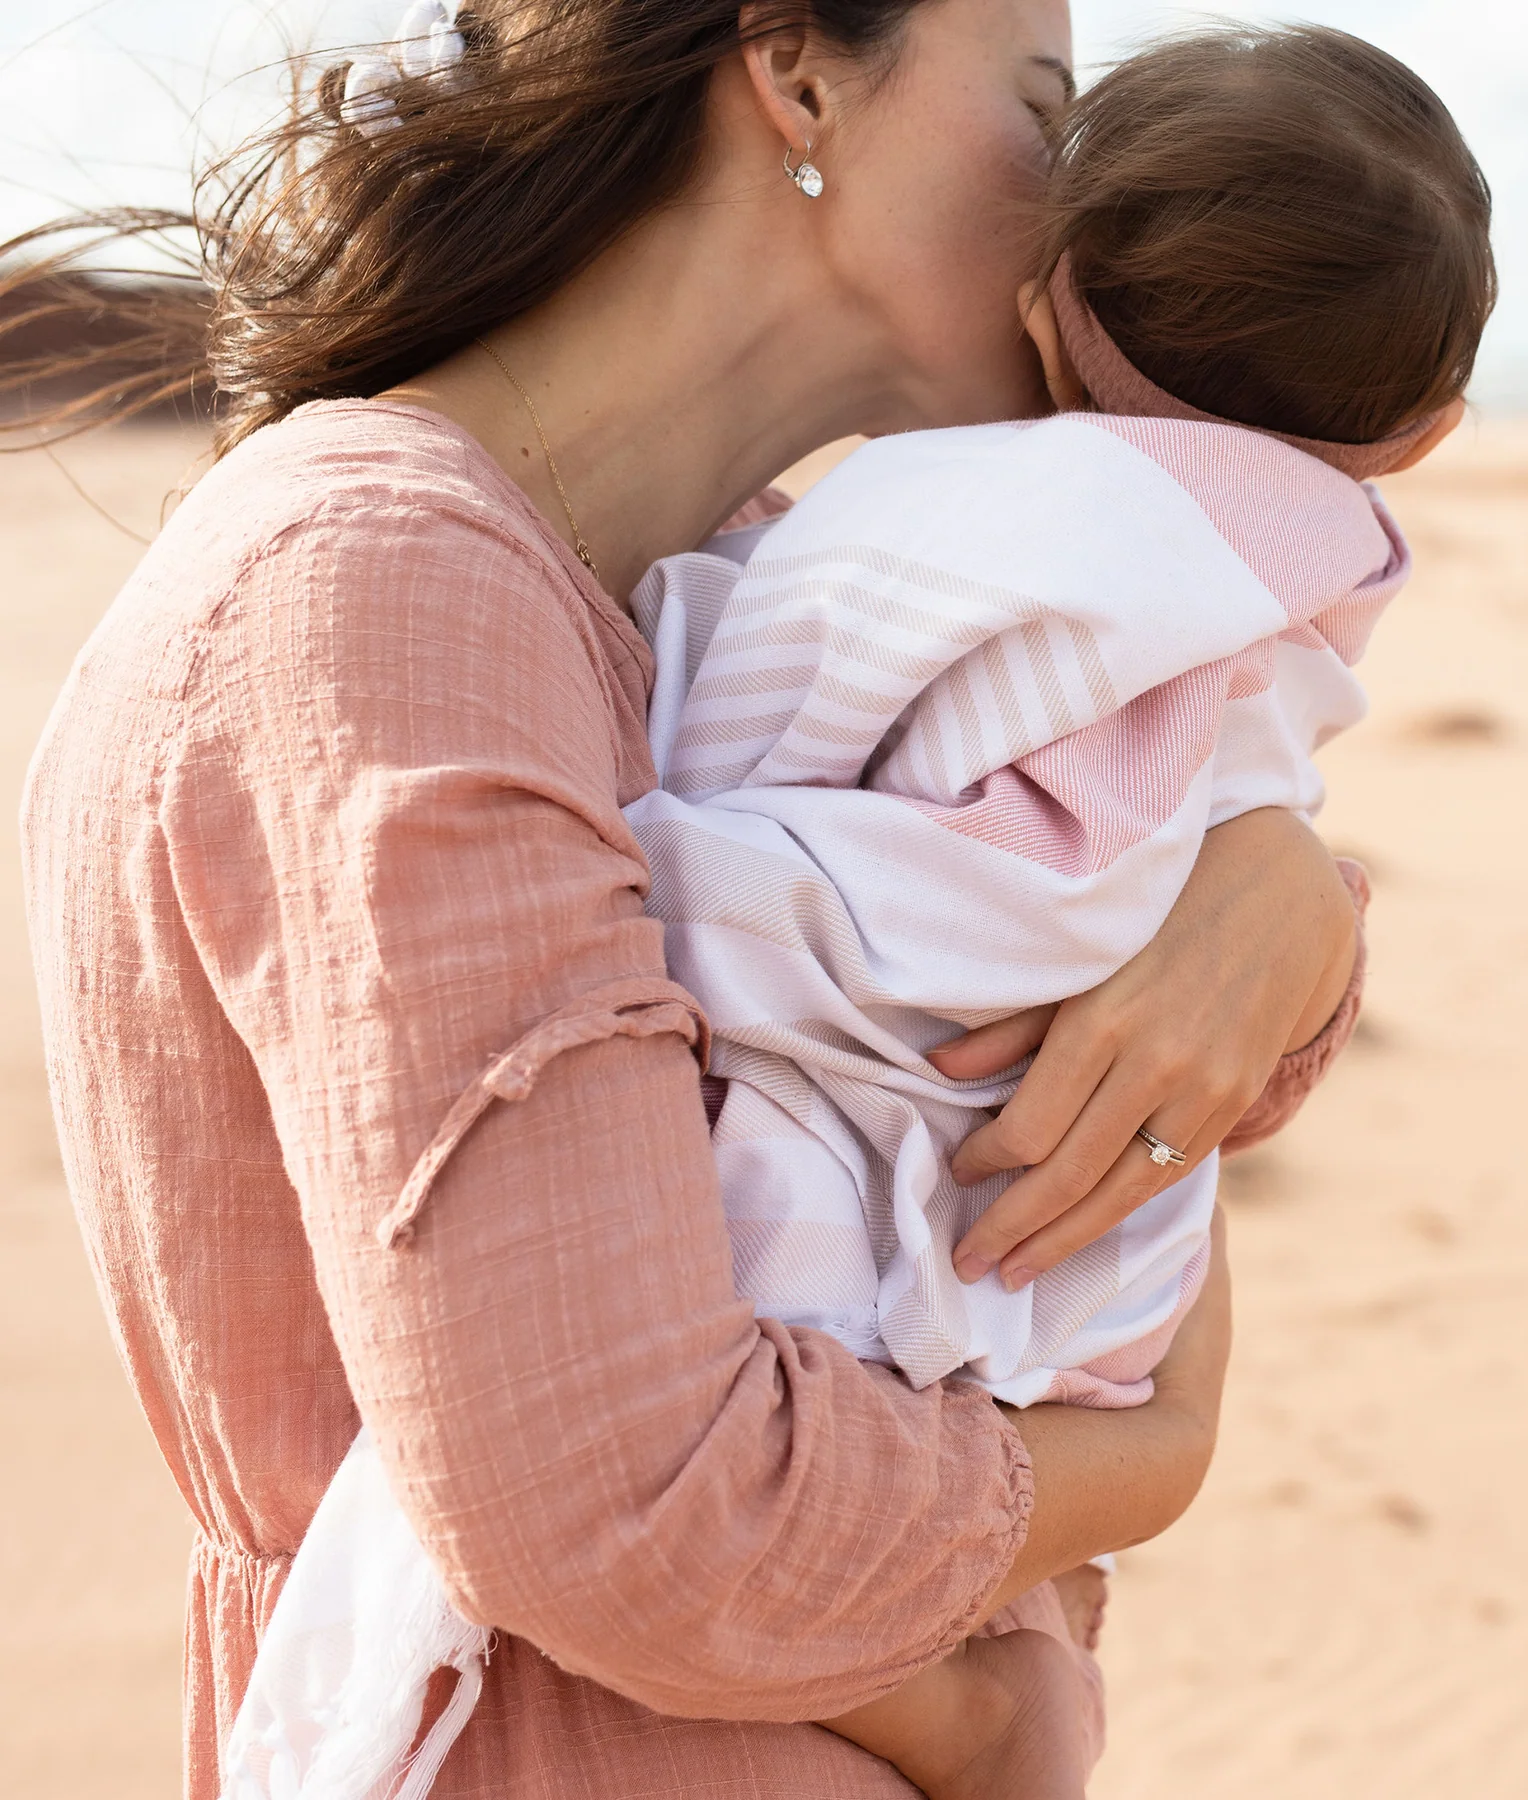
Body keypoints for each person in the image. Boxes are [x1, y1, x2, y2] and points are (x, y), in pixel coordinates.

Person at [15, 5, 1376, 1796]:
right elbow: (640, 1506)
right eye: (1045, 111)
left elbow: (1018, 1010)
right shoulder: (385, 596)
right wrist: (1161, 1457)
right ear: (799, 70)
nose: (1093, 214)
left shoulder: (733, 593)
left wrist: (1284, 895)